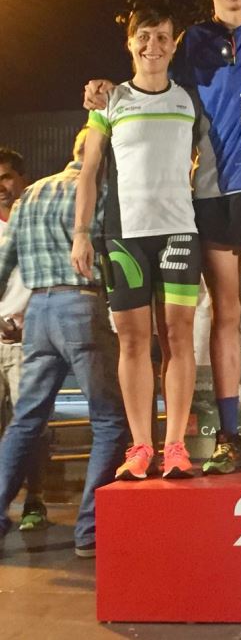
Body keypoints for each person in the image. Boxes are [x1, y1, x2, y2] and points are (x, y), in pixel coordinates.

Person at [85, 0, 241, 474]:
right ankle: (228, 436)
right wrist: (104, 90)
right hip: (211, 196)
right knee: (224, 316)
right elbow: (147, 76)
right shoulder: (190, 43)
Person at [73, 6, 201, 480]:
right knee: (132, 340)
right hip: (124, 235)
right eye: (144, 37)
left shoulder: (188, 98)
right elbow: (89, 172)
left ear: (174, 44)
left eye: (163, 37)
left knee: (179, 337)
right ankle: (142, 446)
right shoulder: (109, 101)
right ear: (130, 43)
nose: (153, 46)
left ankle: (176, 447)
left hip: (179, 231)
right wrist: (81, 233)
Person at [0, 130, 127, 558]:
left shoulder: (30, 195)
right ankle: (89, 531)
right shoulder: (100, 192)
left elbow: (3, 265)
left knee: (25, 421)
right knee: (109, 421)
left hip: (37, 310)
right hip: (81, 305)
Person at [0, 149, 45, 530]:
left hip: (27, 342)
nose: (1, 186)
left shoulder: (36, 220)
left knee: (31, 427)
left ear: (22, 178)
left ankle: (35, 500)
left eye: (6, 176)